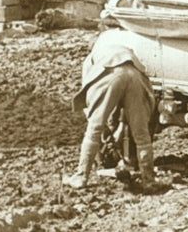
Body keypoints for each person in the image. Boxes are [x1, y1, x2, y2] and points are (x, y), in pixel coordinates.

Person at [65, 26, 158, 191]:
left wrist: (104, 127)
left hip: (109, 73)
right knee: (142, 135)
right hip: (134, 74)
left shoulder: (92, 57)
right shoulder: (127, 47)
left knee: (93, 129)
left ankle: (81, 177)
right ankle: (149, 180)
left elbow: (89, 98)